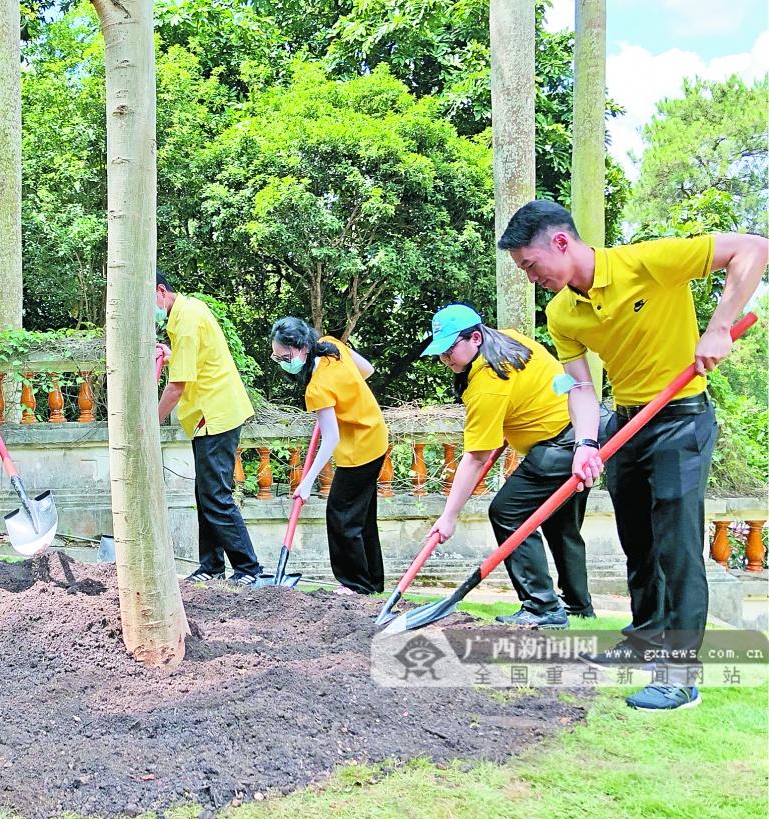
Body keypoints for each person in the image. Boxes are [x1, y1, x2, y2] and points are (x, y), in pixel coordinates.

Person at [499, 199, 768, 711]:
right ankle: (644, 638)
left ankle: (680, 676)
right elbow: (581, 387)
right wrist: (585, 443)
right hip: (624, 424)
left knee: (676, 546)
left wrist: (719, 326)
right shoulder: (561, 313)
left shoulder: (646, 262)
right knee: (638, 542)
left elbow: (754, 248)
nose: (531, 278)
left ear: (561, 242)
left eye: (531, 265)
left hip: (680, 419)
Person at [422, 304, 595, 628]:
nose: (446, 359)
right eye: (440, 353)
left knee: (507, 513)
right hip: (584, 431)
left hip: (558, 446)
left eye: (449, 350)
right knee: (561, 525)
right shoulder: (510, 341)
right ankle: (577, 606)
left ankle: (542, 608)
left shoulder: (488, 381)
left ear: (475, 338)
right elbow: (547, 380)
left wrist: (449, 516)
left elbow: (476, 457)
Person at [155, 271, 262, 586]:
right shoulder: (187, 312)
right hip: (211, 415)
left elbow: (176, 386)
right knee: (205, 495)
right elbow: (197, 358)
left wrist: (149, 423)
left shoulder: (186, 321)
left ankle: (248, 569)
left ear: (161, 291)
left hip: (215, 415)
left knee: (215, 495)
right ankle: (212, 566)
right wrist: (172, 355)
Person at [270, 317, 389, 595]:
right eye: (278, 358)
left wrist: (307, 482)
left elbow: (331, 439)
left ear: (302, 348)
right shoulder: (332, 346)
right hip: (376, 436)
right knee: (362, 517)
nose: (284, 363)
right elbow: (367, 370)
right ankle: (372, 582)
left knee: (341, 515)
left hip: (360, 450)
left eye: (285, 357)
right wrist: (341, 400)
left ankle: (355, 584)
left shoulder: (317, 388)